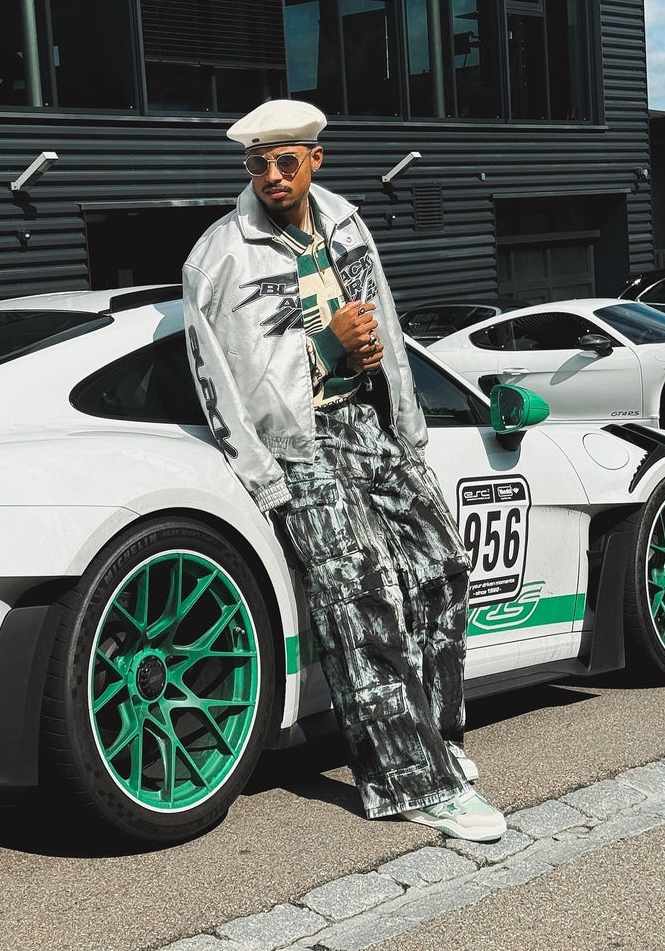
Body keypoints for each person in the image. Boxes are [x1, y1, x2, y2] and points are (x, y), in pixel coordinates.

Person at [182, 99, 505, 843]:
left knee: (443, 566)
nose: (271, 175)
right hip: (298, 443)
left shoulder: (346, 222)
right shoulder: (220, 256)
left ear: (314, 160)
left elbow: (383, 322)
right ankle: (411, 779)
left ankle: (437, 741)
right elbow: (218, 376)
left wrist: (407, 422)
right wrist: (266, 473)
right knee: (361, 592)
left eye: (285, 161)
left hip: (369, 422)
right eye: (257, 163)